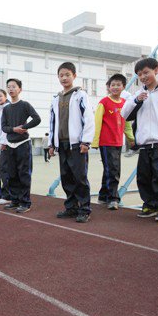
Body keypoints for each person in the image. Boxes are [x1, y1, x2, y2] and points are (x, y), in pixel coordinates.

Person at [121, 58, 158, 223]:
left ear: (156, 70)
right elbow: (124, 114)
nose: (143, 77)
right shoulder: (138, 93)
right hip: (143, 143)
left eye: (146, 72)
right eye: (139, 74)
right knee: (143, 176)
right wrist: (136, 101)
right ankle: (149, 204)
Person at [49, 62, 94, 223]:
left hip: (77, 143)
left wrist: (86, 141)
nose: (64, 78)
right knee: (66, 176)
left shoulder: (80, 95)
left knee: (79, 177)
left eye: (67, 74)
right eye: (61, 75)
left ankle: (84, 209)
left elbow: (88, 118)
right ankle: (71, 207)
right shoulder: (56, 98)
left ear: (74, 76)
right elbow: (52, 122)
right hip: (61, 143)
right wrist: (51, 144)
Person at [92, 74, 135, 210]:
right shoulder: (104, 102)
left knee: (110, 169)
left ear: (123, 87)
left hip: (118, 142)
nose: (115, 87)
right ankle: (113, 198)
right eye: (113, 85)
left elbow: (127, 123)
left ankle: (103, 195)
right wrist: (94, 142)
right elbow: (97, 123)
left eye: (118, 85)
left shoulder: (124, 103)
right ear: (108, 87)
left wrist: (131, 139)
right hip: (106, 142)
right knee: (113, 170)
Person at [1, 78, 41, 213]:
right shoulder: (6, 109)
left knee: (23, 174)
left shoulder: (25, 105)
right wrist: (14, 129)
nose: (11, 89)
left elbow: (37, 119)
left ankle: (25, 203)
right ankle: (15, 200)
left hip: (23, 143)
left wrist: (24, 127)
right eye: (8, 87)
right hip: (10, 144)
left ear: (20, 89)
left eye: (13, 86)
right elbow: (4, 127)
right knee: (11, 174)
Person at [0, 89, 11, 205]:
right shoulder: (0, 109)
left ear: (5, 96)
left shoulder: (7, 108)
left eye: (0, 96)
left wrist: (3, 141)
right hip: (3, 143)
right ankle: (8, 194)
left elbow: (7, 127)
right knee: (4, 169)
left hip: (8, 144)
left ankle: (7, 195)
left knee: (6, 170)